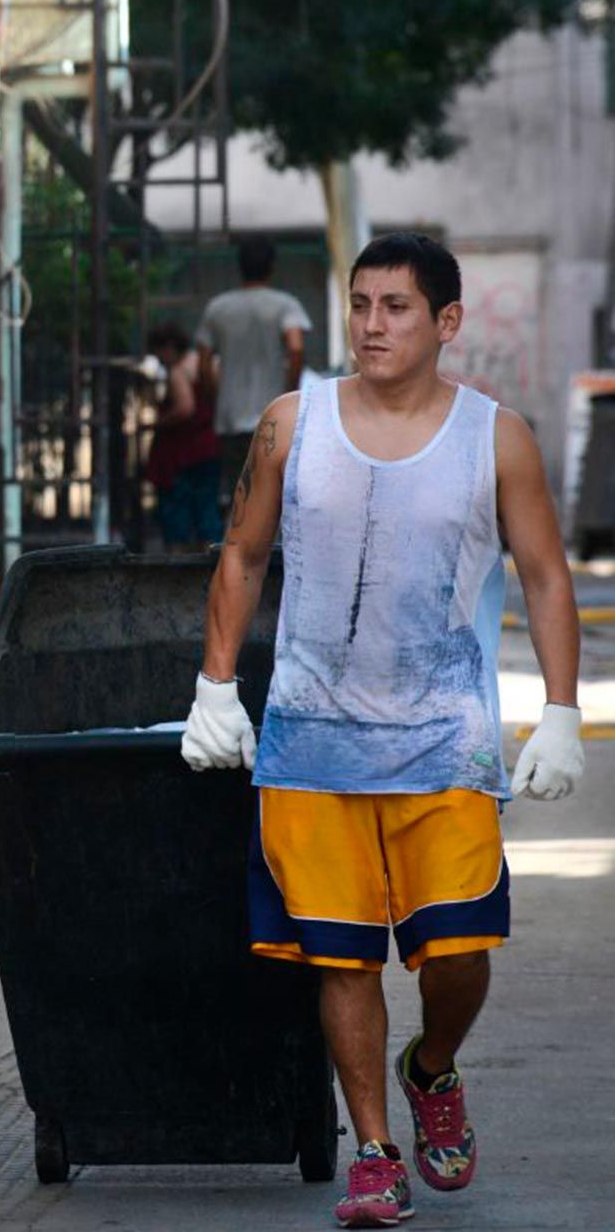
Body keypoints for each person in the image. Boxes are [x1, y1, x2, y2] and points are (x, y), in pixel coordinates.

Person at [181, 233, 584, 1229]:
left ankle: (431, 1061)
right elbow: (240, 554)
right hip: (309, 745)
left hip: (444, 744)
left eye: (395, 306)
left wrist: (561, 712)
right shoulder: (290, 423)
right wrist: (213, 688)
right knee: (341, 958)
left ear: (445, 322)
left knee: (456, 950)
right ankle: (370, 1148)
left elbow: (541, 575)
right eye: (359, 303)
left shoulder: (494, 437)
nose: (370, 324)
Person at [196, 234, 312, 502]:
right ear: (272, 267)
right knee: (274, 492)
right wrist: (289, 393)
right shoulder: (285, 304)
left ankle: (239, 541)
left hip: (229, 417)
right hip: (273, 417)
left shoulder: (218, 307)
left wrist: (215, 396)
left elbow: (203, 362)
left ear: (240, 266)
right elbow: (295, 348)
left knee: (239, 492)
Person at [141, 322, 223, 551]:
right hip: (208, 446)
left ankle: (179, 564)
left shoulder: (179, 371)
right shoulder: (205, 364)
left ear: (168, 347)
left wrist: (158, 423)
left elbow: (185, 407)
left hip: (184, 451)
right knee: (207, 507)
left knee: (179, 510)